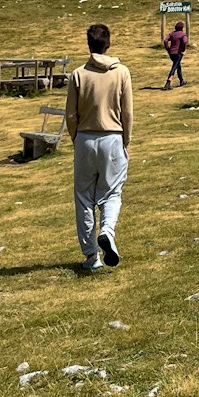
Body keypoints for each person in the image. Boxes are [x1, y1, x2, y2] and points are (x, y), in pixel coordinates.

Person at [66, 23, 133, 273]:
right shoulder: (122, 72)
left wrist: (76, 138)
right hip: (113, 136)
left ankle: (91, 255)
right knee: (112, 192)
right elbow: (127, 111)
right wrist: (126, 140)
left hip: (84, 137)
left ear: (88, 44)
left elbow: (70, 115)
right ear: (109, 43)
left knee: (83, 198)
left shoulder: (78, 74)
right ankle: (107, 231)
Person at [162, 19, 188, 89]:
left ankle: (181, 80)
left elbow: (165, 40)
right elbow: (185, 41)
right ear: (182, 28)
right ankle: (168, 83)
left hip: (171, 53)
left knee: (178, 66)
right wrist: (182, 49)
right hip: (178, 53)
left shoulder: (172, 34)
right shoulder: (183, 34)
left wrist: (168, 48)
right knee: (174, 67)